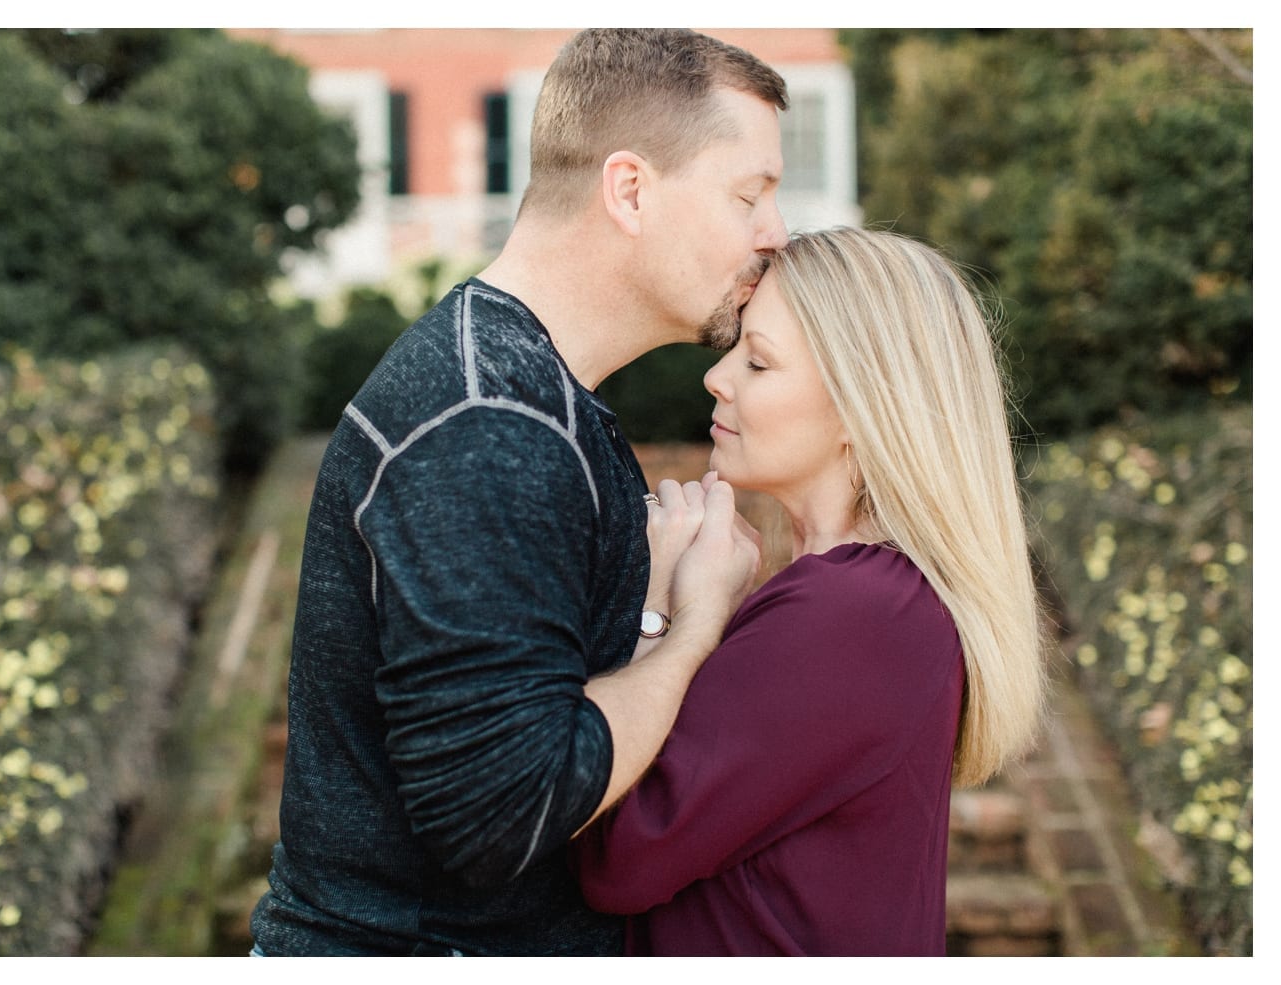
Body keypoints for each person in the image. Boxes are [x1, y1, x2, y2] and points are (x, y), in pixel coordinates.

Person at [249, 28, 787, 956]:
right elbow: (504, 813)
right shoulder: (487, 423)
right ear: (629, 190)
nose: (773, 233)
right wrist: (695, 626)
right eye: (749, 195)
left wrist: (644, 614)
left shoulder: (524, 391)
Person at [574, 227, 1049, 956]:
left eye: (759, 362)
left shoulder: (853, 615)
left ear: (863, 410)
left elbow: (616, 854)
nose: (717, 377)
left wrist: (667, 608)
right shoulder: (874, 599)